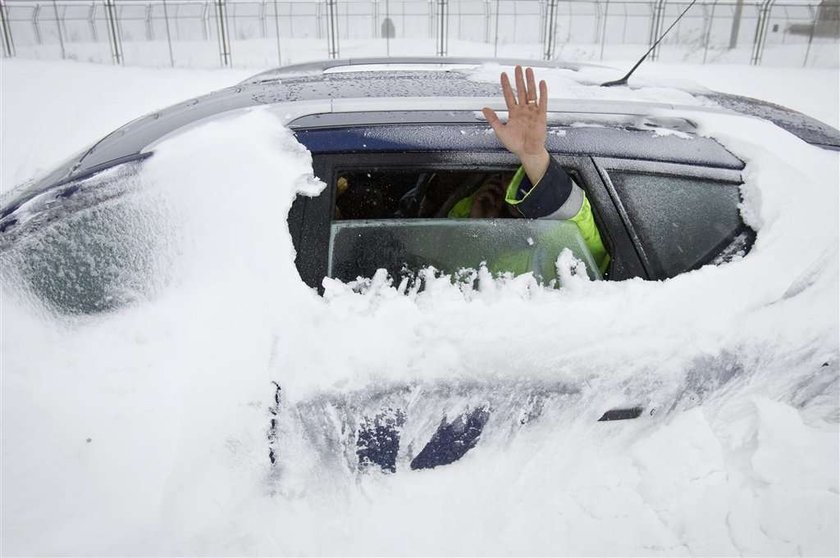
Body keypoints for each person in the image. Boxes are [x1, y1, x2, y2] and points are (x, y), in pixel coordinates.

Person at [449, 66, 610, 273]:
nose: (508, 186)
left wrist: (532, 156)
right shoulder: (469, 213)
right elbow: (453, 276)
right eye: (502, 175)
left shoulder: (561, 251)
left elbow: (575, 229)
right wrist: (478, 229)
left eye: (522, 179)